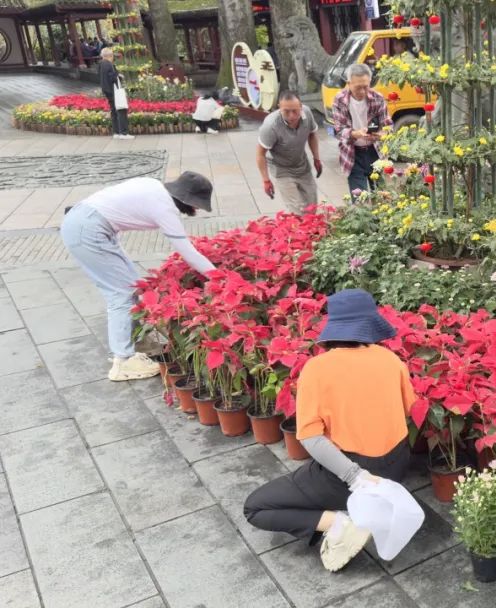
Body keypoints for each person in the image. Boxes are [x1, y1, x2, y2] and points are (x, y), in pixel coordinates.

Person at [244, 289, 415, 572]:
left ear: (333, 327)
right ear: (370, 325)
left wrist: (355, 477)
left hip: (352, 474)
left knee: (256, 508)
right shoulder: (391, 360)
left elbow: (310, 436)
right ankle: (354, 510)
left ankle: (339, 524)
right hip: (396, 468)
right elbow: (408, 409)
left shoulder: (318, 369)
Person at [60, 173, 216, 381]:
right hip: (87, 230)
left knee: (132, 285)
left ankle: (135, 342)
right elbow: (188, 253)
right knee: (121, 294)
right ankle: (123, 361)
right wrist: (219, 278)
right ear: (186, 199)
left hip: (85, 222)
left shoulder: (154, 186)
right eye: (196, 204)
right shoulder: (165, 208)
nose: (196, 209)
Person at [256, 91, 323, 214]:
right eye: (286, 111)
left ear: (301, 107)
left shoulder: (307, 113)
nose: (291, 116)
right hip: (282, 169)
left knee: (312, 207)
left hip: (302, 166)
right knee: (298, 210)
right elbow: (260, 153)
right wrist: (266, 180)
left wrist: (316, 158)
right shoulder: (270, 126)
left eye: (295, 111)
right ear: (279, 108)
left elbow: (312, 134)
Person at [332, 64, 392, 195]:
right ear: (349, 83)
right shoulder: (340, 100)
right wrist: (356, 134)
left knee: (382, 198)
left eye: (366, 87)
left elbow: (387, 125)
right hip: (353, 153)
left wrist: (380, 134)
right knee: (359, 199)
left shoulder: (378, 98)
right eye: (358, 87)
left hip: (375, 152)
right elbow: (338, 130)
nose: (363, 92)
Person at [98, 48, 132, 140]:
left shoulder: (101, 64)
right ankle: (124, 133)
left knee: (113, 110)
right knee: (121, 110)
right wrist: (118, 75)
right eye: (112, 56)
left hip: (107, 90)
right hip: (113, 91)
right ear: (110, 56)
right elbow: (112, 78)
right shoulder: (109, 64)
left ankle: (116, 132)